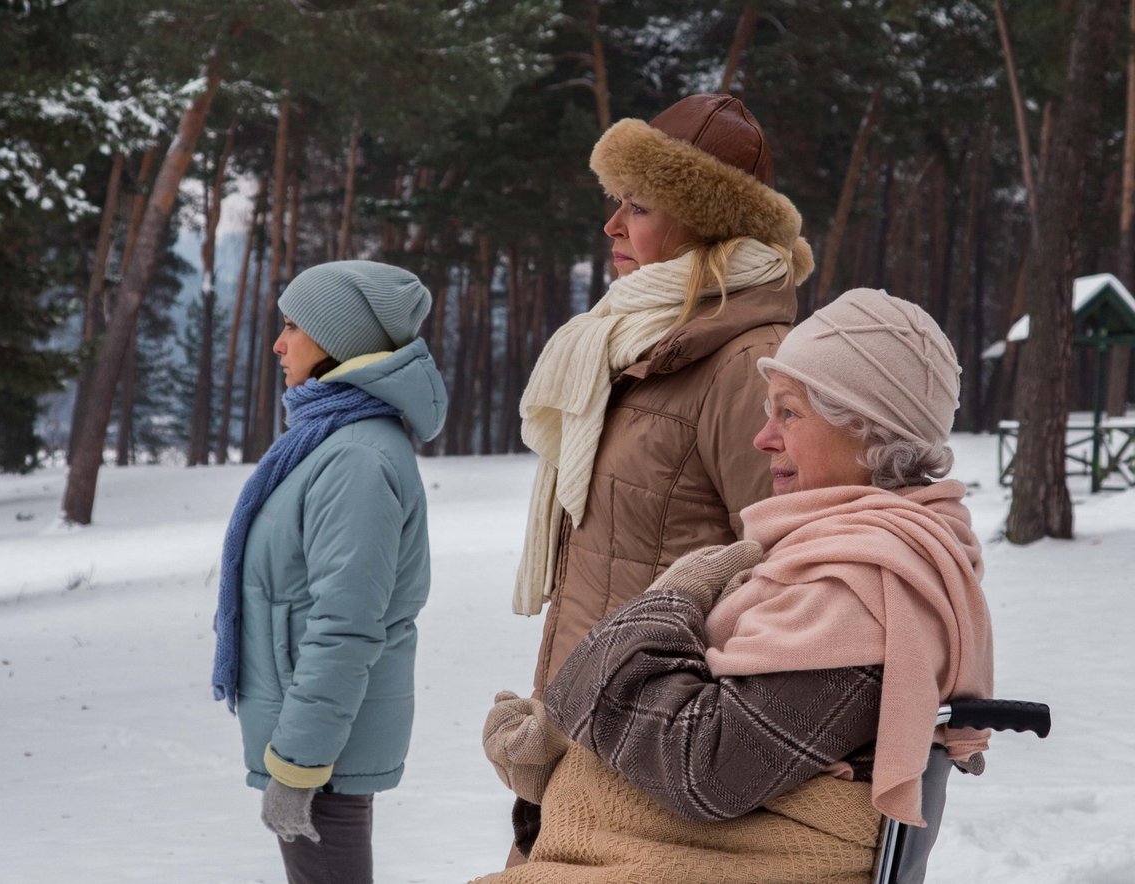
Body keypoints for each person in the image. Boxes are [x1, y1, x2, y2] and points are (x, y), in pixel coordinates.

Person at [479, 287, 994, 883]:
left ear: (870, 431)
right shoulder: (828, 557)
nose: (764, 438)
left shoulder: (862, 585)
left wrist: (662, 607)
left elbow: (706, 769)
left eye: (789, 412)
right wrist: (568, 747)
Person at [509, 93, 813, 857]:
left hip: (658, 747)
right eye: (616, 202)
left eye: (637, 206)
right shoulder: (635, 345)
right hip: (589, 722)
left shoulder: (748, 362)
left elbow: (791, 568)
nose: (613, 225)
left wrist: (688, 726)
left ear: (706, 221)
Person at [211, 260, 447, 884]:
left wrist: (297, 764)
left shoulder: (355, 459)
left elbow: (345, 625)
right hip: (320, 741)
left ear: (340, 341)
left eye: (293, 325)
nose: (277, 343)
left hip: (324, 755)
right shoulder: (329, 441)